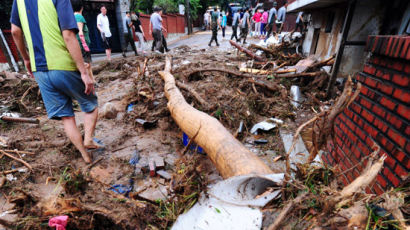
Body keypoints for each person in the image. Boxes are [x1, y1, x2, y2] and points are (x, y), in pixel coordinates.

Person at [10, 0, 98, 163]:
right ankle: (89, 139)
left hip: (39, 70)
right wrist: (84, 72)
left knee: (66, 116)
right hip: (63, 64)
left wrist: (26, 59)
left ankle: (85, 156)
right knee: (90, 104)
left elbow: (15, 31)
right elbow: (68, 35)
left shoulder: (19, 1)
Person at [71, 0, 93, 82]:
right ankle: (89, 81)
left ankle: (92, 81)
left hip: (76, 45)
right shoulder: (79, 17)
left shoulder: (71, 17)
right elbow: (80, 32)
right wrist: (85, 46)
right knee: (87, 64)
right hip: (82, 46)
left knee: (87, 64)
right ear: (82, 8)